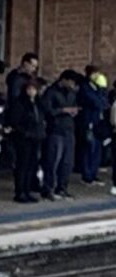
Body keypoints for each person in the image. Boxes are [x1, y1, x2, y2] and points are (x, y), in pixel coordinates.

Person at [41, 70, 82, 201]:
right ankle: (49, 189)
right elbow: (47, 110)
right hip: (55, 130)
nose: (72, 85)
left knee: (67, 162)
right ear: (64, 80)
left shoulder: (72, 93)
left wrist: (74, 111)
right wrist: (63, 110)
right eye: (71, 82)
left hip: (69, 129)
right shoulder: (51, 92)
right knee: (53, 161)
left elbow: (75, 104)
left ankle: (62, 188)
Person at [7, 80, 47, 203]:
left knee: (32, 165)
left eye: (34, 89)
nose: (32, 92)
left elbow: (41, 118)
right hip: (24, 138)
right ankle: (20, 192)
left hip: (36, 137)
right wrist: (24, 132)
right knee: (22, 165)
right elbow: (15, 121)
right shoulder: (20, 103)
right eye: (29, 89)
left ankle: (28, 189)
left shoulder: (38, 103)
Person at [78, 67, 109, 186]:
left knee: (97, 150)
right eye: (96, 73)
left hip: (99, 122)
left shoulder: (98, 89)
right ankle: (87, 175)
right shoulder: (85, 88)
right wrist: (101, 98)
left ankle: (93, 173)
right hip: (89, 121)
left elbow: (105, 103)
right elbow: (96, 103)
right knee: (89, 148)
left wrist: (103, 89)